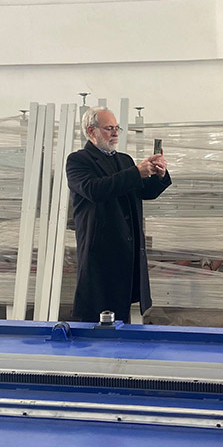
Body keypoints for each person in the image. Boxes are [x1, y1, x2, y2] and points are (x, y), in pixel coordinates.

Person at [66, 107, 171, 323]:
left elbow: (144, 192)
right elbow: (94, 190)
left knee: (122, 311)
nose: (115, 133)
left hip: (127, 248)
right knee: (97, 312)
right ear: (91, 131)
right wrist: (136, 173)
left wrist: (158, 175)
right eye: (108, 128)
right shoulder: (78, 160)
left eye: (117, 128)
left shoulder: (124, 160)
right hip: (100, 249)